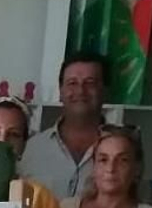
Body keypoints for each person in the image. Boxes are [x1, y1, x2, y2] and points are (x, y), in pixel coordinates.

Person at [21, 52, 107, 200]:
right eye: (72, 83)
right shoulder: (31, 149)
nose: (80, 91)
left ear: (104, 90)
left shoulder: (121, 152)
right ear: (60, 91)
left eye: (90, 83)